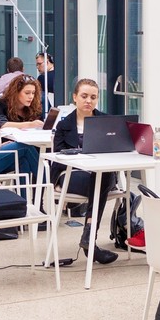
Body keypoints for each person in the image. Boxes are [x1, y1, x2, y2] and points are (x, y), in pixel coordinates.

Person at [51, 78, 119, 265]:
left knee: (102, 174)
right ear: (75, 97)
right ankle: (90, 239)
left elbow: (115, 151)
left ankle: (89, 234)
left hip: (100, 174)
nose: (89, 101)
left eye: (93, 97)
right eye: (84, 96)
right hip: (73, 175)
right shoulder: (64, 126)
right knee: (100, 180)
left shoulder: (106, 121)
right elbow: (57, 158)